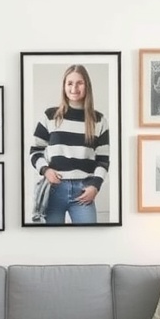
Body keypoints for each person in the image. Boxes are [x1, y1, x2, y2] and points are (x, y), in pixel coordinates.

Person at [29, 64, 110, 224]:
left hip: (83, 191)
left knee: (89, 241)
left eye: (79, 83)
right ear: (64, 86)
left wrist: (95, 186)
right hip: (53, 189)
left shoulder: (99, 120)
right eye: (70, 83)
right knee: (51, 244)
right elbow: (35, 151)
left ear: (87, 85)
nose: (74, 88)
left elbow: (103, 159)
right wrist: (45, 170)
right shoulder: (50, 116)